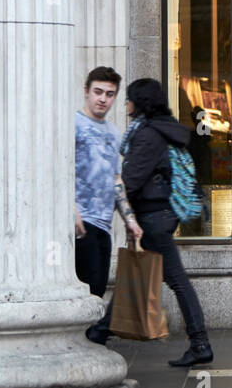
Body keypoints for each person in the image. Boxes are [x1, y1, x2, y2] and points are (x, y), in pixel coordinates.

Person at [121, 78, 213, 367]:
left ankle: (200, 343)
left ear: (140, 102)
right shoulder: (162, 128)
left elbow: (132, 180)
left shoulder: (149, 134)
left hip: (153, 217)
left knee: (175, 280)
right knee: (139, 276)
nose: (125, 103)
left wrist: (117, 194)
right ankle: (100, 331)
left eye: (128, 98)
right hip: (160, 215)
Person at [74, 67, 138, 344]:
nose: (103, 99)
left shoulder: (113, 132)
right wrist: (70, 208)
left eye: (110, 94)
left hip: (102, 223)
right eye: (98, 92)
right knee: (87, 289)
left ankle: (89, 349)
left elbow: (116, 179)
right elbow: (56, 169)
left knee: (98, 287)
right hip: (80, 221)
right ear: (86, 91)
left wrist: (129, 219)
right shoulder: (73, 124)